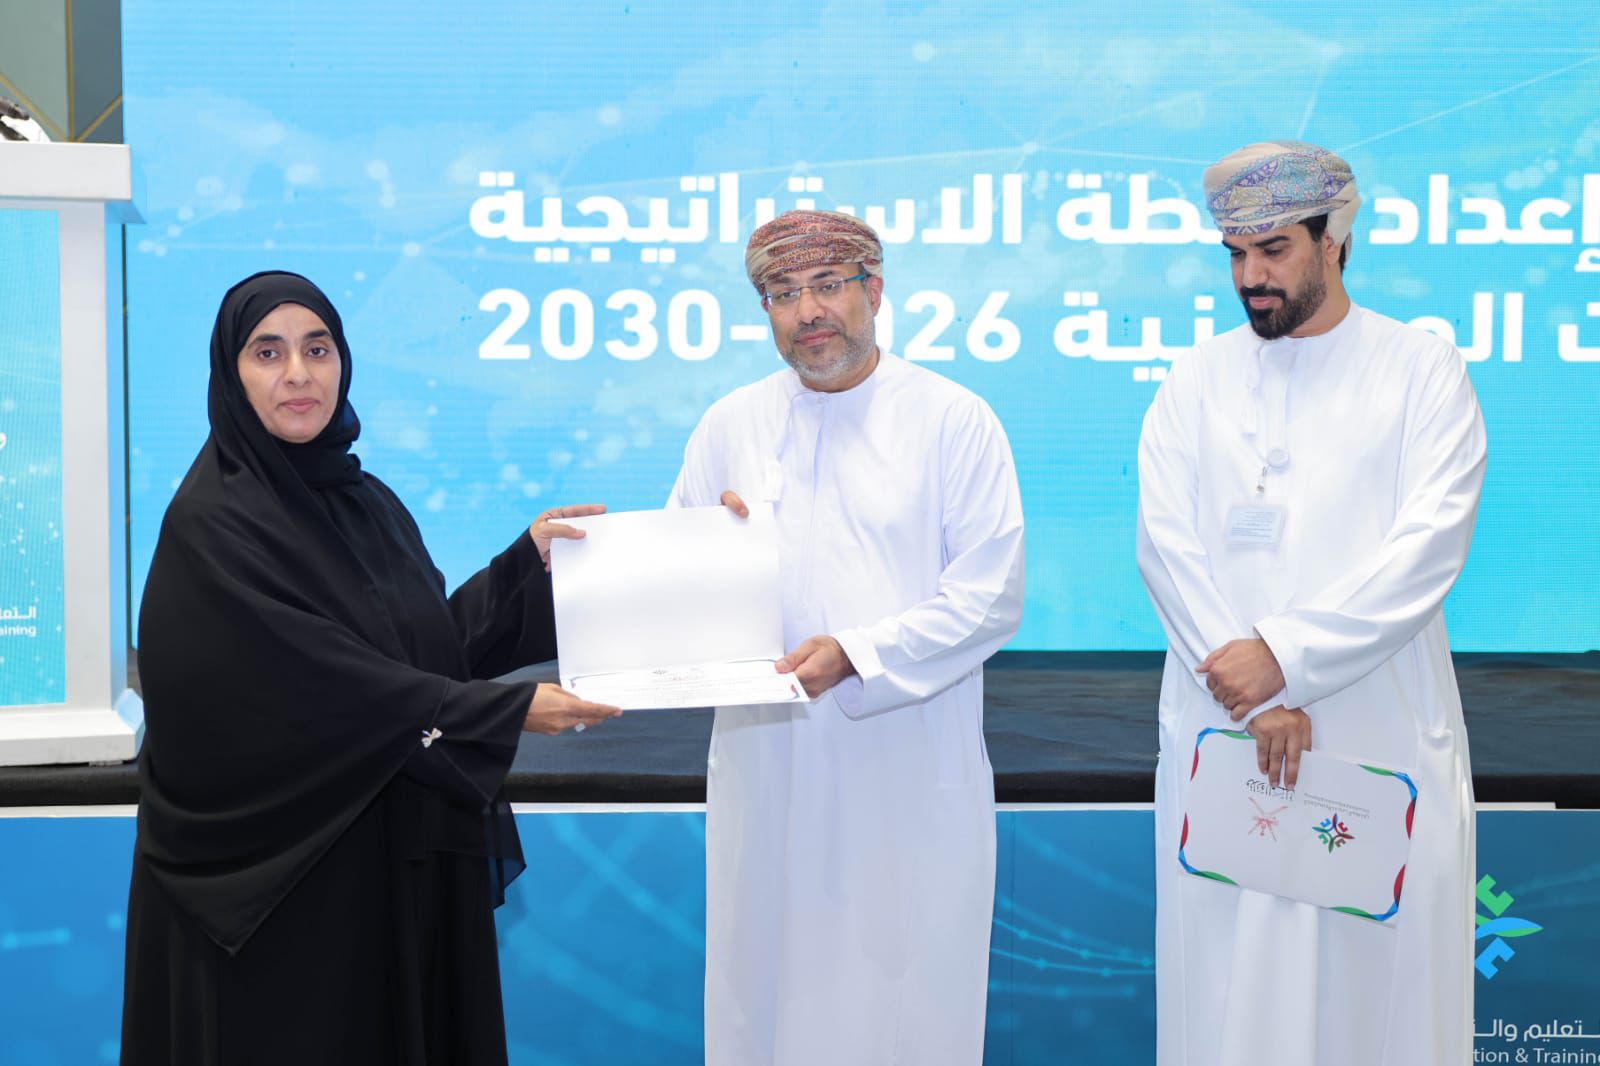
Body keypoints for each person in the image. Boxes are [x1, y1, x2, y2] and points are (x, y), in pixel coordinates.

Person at [121, 271, 621, 1064]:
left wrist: (524, 566)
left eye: (317, 349)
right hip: (282, 896)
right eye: (268, 352)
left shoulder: (364, 501)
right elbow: (313, 684)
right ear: (231, 373)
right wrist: (504, 710)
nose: (298, 374)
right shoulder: (213, 523)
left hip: (380, 861)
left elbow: (421, 648)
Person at [1136, 141, 1487, 1066]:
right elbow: (1165, 547)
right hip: (1228, 727)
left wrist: (1285, 657)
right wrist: (1255, 690)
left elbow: (1428, 547)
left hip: (1377, 724)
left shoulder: (1421, 370)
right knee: (1227, 986)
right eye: (1236, 255)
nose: (1251, 277)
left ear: (1335, 242)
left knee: (1380, 997)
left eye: (1274, 250)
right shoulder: (1193, 380)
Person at [668, 210, 1025, 1066]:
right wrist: (706, 557)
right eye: (783, 294)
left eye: (827, 285)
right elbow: (677, 582)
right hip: (767, 766)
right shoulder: (730, 424)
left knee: (899, 997)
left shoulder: (952, 418)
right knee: (763, 993)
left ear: (874, 290)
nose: (808, 312)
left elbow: (990, 595)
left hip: (902, 767)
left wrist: (859, 654)